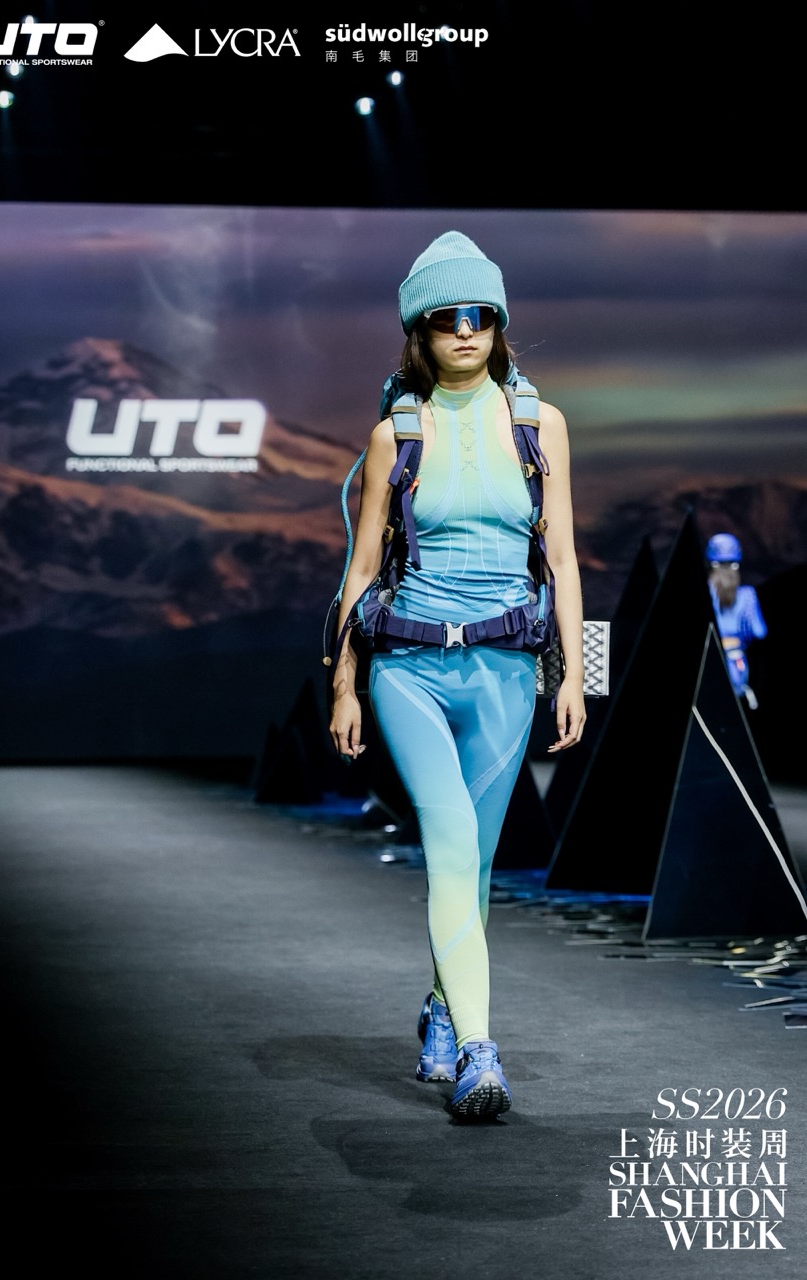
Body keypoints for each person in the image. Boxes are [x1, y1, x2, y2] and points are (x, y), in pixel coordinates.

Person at [328, 232, 586, 1121]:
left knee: (472, 865)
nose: (466, 332)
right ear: (420, 333)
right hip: (408, 669)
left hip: (510, 668)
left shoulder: (537, 424)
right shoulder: (396, 432)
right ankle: (480, 1051)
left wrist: (573, 675)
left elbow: (559, 556)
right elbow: (360, 571)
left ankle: (441, 1008)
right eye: (447, 319)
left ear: (501, 325)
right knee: (446, 841)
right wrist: (343, 684)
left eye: (481, 317)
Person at [706, 532, 767, 710]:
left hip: (713, 664)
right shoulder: (746, 596)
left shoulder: (705, 592)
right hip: (735, 662)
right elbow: (759, 631)